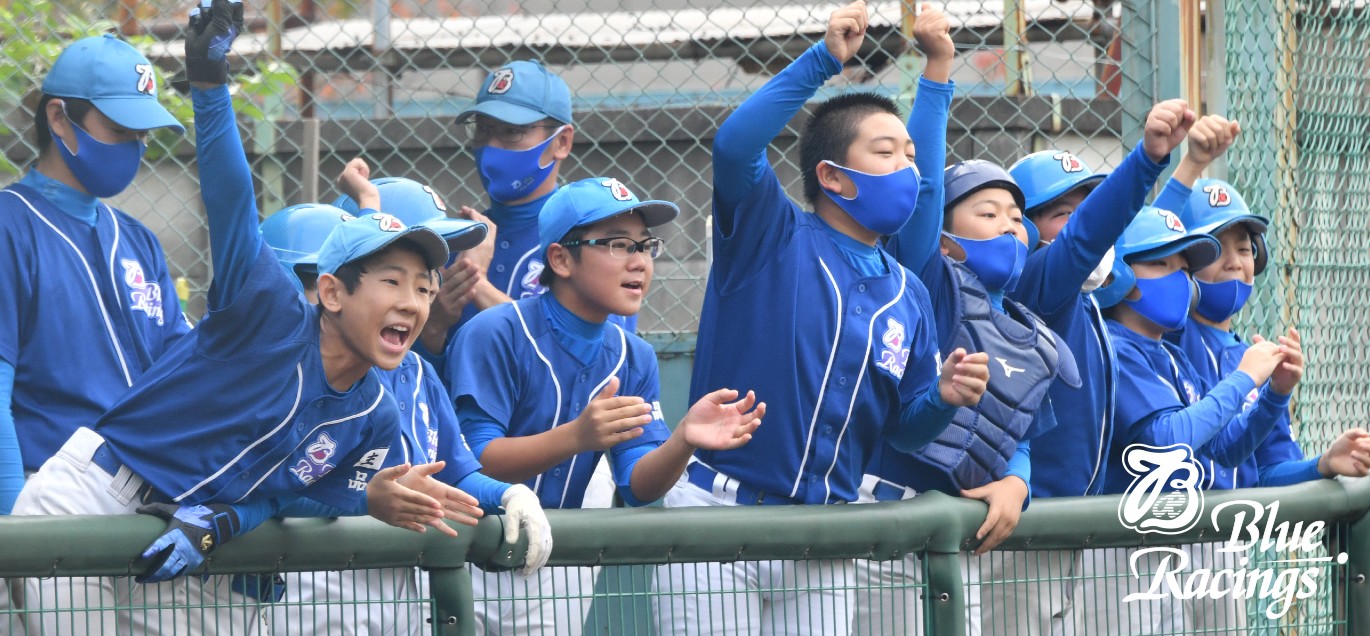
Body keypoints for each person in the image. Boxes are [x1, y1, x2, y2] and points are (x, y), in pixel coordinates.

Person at [10, 2, 483, 632]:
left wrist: (359, 497)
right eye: (392, 281)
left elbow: (294, 489)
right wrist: (210, 86)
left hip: (186, 524)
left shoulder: (374, 411)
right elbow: (230, 197)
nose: (412, 301)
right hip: (98, 488)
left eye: (425, 287)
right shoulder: (267, 310)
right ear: (331, 293)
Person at [651, 3, 990, 634]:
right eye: (887, 153)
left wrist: (943, 398)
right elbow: (734, 145)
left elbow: (906, 431)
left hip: (828, 532)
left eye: (912, 157)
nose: (910, 170)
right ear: (834, 176)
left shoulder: (907, 292)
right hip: (719, 517)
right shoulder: (770, 235)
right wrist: (822, 61)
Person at [445, 176, 762, 634]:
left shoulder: (634, 356)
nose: (640, 261)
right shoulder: (496, 331)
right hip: (466, 552)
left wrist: (683, 441)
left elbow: (637, 485)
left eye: (645, 245)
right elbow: (474, 461)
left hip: (549, 559)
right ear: (560, 258)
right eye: (617, 244)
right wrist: (577, 437)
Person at [259, 179, 552, 635]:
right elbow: (262, 482)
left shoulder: (416, 371)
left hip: (398, 587)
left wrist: (510, 493)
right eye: (394, 276)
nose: (421, 290)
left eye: (424, 279)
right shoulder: (292, 374)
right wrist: (366, 499)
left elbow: (455, 471)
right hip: (304, 583)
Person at [0, 30, 197, 633]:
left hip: (149, 498)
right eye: (120, 129)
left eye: (143, 133)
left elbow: (181, 374)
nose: (136, 147)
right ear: (59, 118)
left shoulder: (136, 237)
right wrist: (14, 527)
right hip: (49, 493)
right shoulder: (10, 225)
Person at [1152, 117, 1369, 633]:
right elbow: (1154, 231)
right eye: (1214, 247)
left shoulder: (1252, 356)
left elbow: (1267, 475)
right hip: (1156, 542)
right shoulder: (1168, 335)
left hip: (1225, 552)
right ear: (1180, 262)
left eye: (1245, 249)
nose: (1234, 262)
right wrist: (1193, 163)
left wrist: (1321, 463)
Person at [1000, 100, 1195, 635]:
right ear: (1029, 228)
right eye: (1062, 211)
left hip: (1072, 524)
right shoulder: (1039, 282)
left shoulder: (1091, 296)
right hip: (1027, 522)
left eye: (1085, 203)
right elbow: (1091, 233)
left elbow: (1141, 243)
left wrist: (1184, 171)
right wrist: (1148, 159)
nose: (1081, 220)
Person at [1086, 204, 1296, 635]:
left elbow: (1222, 450)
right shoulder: (1115, 346)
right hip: (1119, 546)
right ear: (1118, 276)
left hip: (1172, 540)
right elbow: (1167, 441)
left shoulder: (1171, 353)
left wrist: (1274, 395)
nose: (1179, 278)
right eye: (1161, 263)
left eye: (1185, 268)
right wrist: (1243, 378)